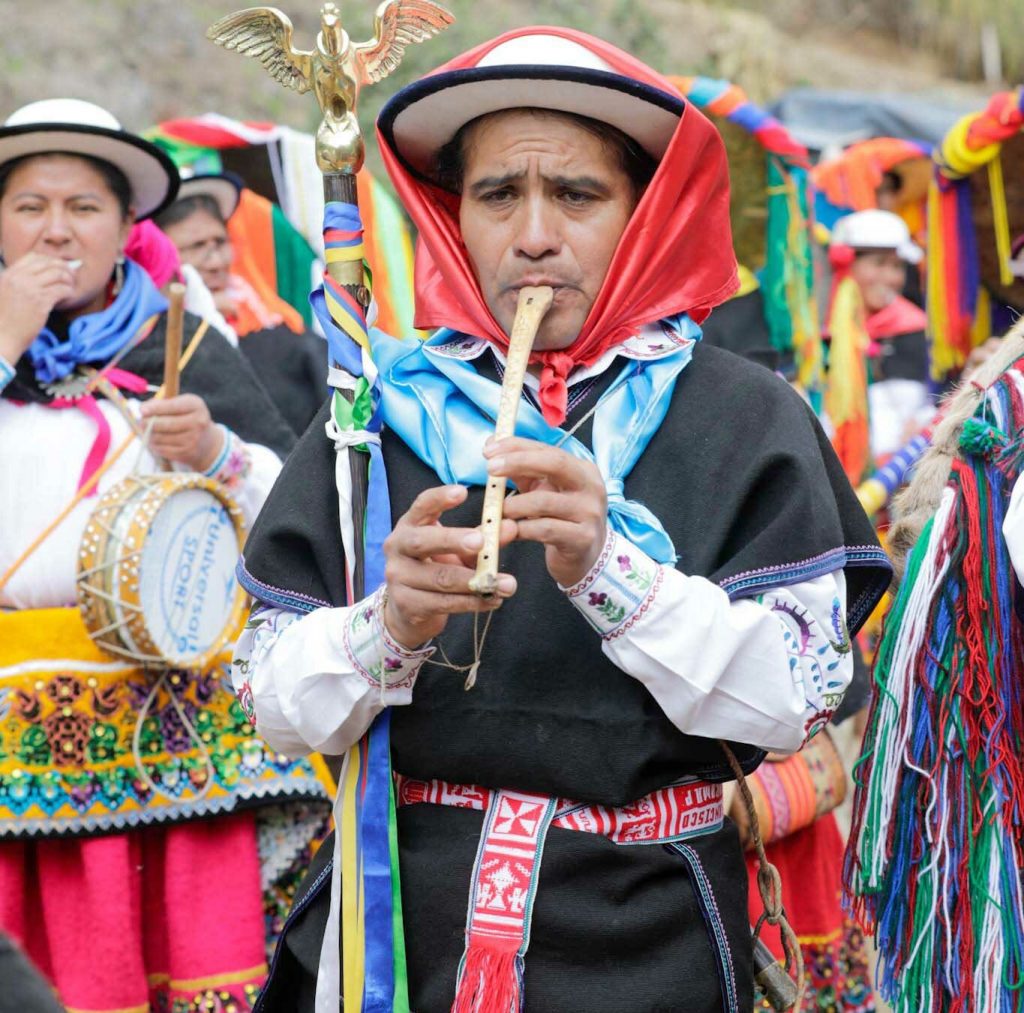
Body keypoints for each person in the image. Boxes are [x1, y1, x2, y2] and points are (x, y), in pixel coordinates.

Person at [233, 29, 891, 1011]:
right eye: (497, 195)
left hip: (646, 929)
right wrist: (391, 624)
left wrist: (607, 568)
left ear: (646, 217)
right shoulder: (372, 417)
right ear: (457, 217)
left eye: (577, 196)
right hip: (400, 931)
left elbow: (793, 698)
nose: (532, 234)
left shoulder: (744, 416)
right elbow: (270, 705)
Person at [0, 99, 329, 1012]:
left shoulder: (181, 342)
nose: (56, 231)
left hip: (175, 731)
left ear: (123, 225)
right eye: (29, 206)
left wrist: (215, 450)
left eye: (83, 207)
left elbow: (290, 516)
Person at [157, 173, 328, 437]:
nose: (216, 263)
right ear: (159, 255)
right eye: (196, 246)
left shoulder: (275, 327)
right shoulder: (145, 340)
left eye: (220, 242)